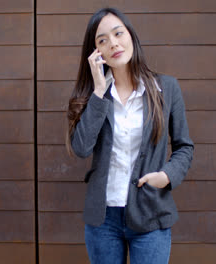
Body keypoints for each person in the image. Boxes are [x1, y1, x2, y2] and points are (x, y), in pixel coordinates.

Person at [65, 7, 194, 264]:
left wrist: (167, 175)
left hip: (150, 213)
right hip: (103, 220)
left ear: (130, 36)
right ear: (95, 53)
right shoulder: (94, 96)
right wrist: (99, 92)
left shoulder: (166, 88)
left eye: (118, 33)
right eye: (102, 40)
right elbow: (81, 148)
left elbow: (184, 147)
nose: (113, 43)